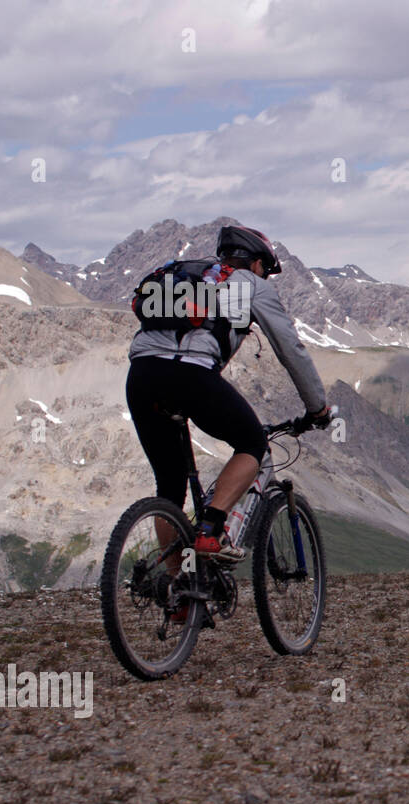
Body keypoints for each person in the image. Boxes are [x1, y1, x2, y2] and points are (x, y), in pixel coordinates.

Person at [126, 224, 330, 561]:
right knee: (252, 443)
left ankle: (179, 591)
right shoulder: (248, 284)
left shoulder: (183, 276)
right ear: (255, 263)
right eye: (266, 270)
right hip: (189, 373)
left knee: (170, 487)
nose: (265, 277)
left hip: (141, 376)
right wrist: (318, 408)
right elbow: (291, 350)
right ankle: (210, 532)